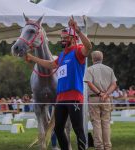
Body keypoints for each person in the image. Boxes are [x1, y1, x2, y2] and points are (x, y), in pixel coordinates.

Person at [26, 17, 92, 150]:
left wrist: (78, 30)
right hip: (60, 99)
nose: (62, 39)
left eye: (65, 37)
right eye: (61, 37)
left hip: (74, 98)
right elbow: (50, 64)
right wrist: (32, 58)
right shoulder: (62, 55)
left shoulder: (78, 51)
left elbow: (89, 47)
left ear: (73, 38)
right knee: (58, 129)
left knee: (78, 129)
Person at [85, 51, 117, 150]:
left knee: (96, 123)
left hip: (94, 98)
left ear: (92, 58)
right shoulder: (109, 69)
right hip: (106, 98)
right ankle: (107, 146)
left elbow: (89, 83)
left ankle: (99, 146)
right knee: (106, 123)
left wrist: (100, 93)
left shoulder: (89, 69)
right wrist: (106, 94)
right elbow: (114, 84)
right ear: (102, 58)